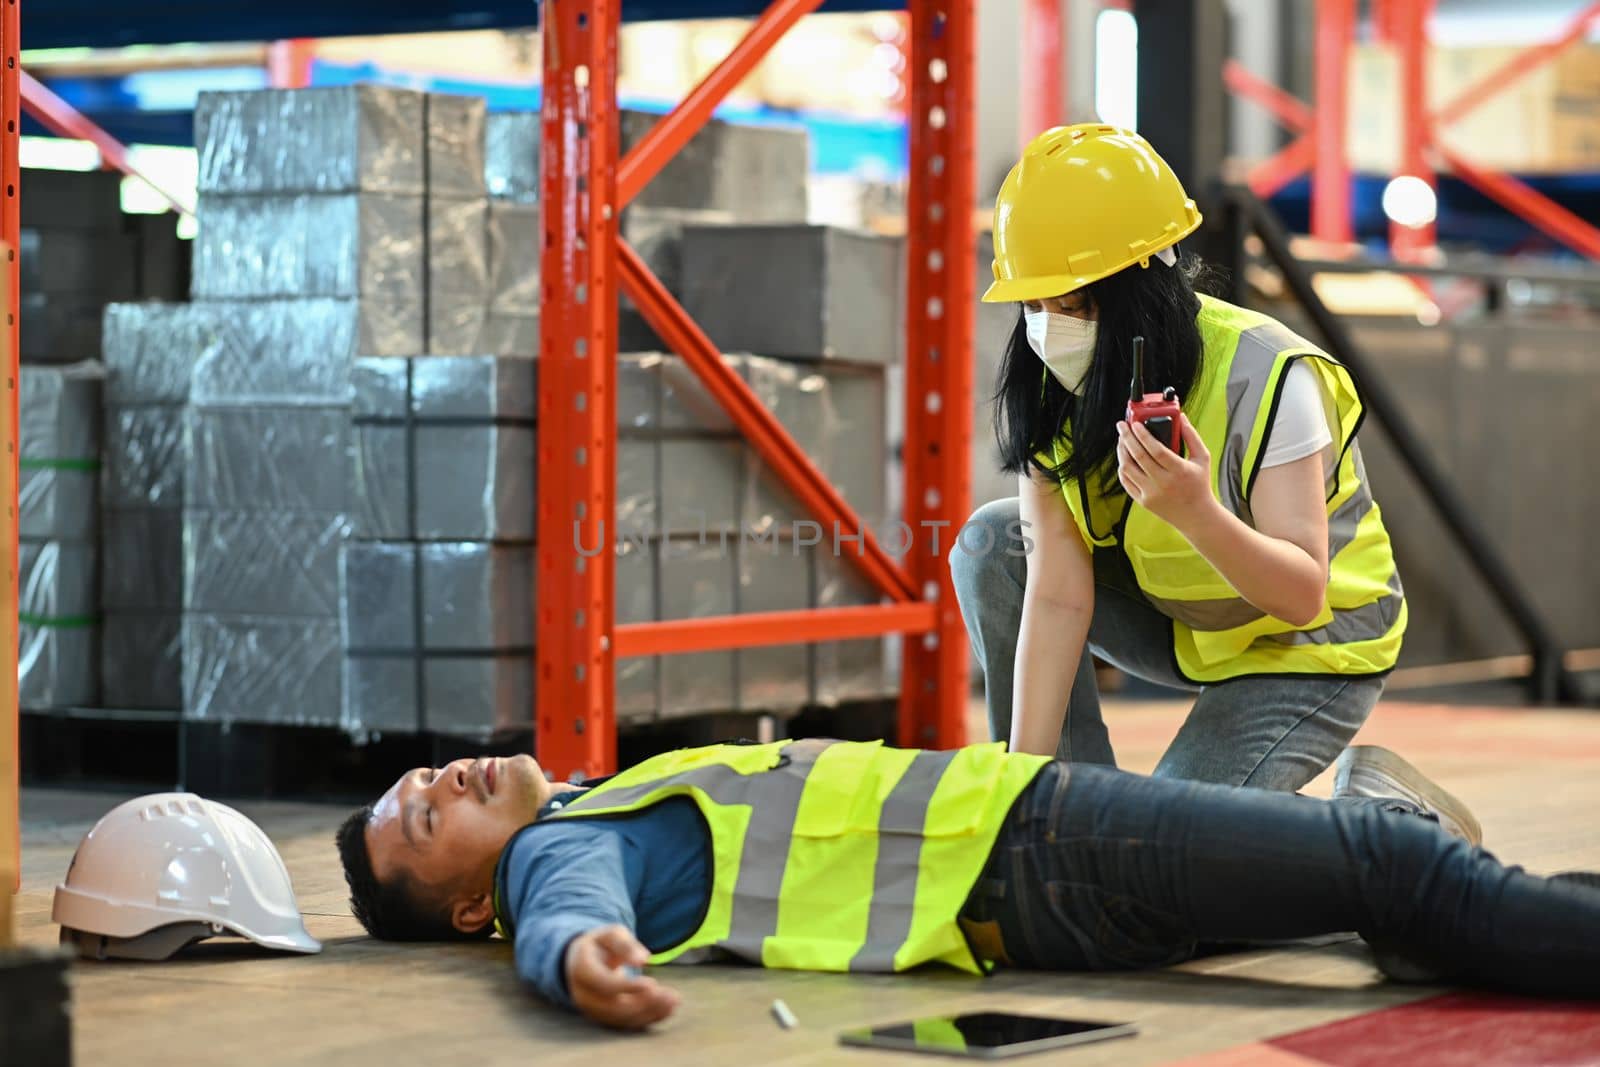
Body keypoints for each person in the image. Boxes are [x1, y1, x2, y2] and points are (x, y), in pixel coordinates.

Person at [336, 738, 1600, 1031]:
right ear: (464, 903)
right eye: (424, 814)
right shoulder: (556, 852)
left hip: (1030, 872)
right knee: (1389, 862)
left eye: (425, 772)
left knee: (1389, 882)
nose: (440, 778)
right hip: (1039, 844)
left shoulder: (606, 792)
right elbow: (567, 908)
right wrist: (575, 956)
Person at [953, 124, 1407, 789]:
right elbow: (1053, 596)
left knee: (1176, 848)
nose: (1049, 326)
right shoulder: (1052, 387)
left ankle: (1390, 820)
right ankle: (1068, 819)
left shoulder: (1267, 374)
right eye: (1033, 304)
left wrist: (1195, 511)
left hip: (1309, 648)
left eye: (1072, 303)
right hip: (1194, 623)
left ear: (1140, 290)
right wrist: (1019, 787)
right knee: (993, 545)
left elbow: (1302, 594)